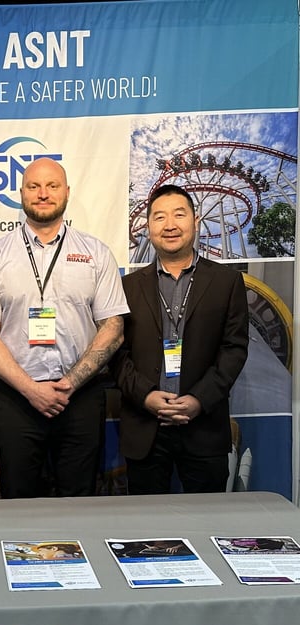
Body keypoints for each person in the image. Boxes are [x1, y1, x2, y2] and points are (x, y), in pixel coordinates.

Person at [0, 158, 128, 498]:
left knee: (79, 500)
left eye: (52, 186)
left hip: (80, 398)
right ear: (21, 193)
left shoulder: (96, 253)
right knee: (20, 502)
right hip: (16, 400)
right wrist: (31, 389)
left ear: (66, 192)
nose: (43, 194)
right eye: (34, 186)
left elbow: (113, 328)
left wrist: (70, 383)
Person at [111, 184, 249, 495]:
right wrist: (146, 396)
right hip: (145, 427)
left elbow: (234, 349)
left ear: (195, 221)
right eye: (160, 217)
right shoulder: (126, 287)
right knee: (146, 523)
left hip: (203, 427)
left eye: (179, 215)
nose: (170, 225)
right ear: (149, 227)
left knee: (208, 518)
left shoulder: (226, 282)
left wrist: (199, 399)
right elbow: (117, 354)